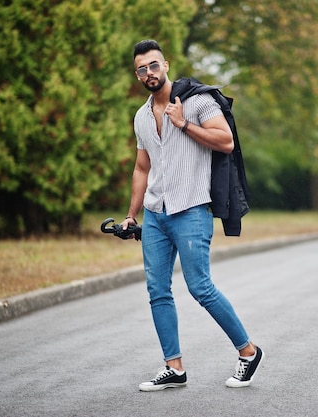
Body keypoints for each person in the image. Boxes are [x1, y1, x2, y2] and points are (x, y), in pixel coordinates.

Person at [121, 39, 263, 392]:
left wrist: (183, 124)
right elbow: (142, 168)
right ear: (137, 75)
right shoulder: (141, 117)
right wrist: (131, 215)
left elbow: (225, 140)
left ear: (166, 65)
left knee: (200, 287)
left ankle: (248, 351)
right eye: (142, 69)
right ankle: (174, 366)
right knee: (158, 291)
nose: (149, 73)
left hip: (191, 210)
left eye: (154, 65)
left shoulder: (198, 101)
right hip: (155, 214)